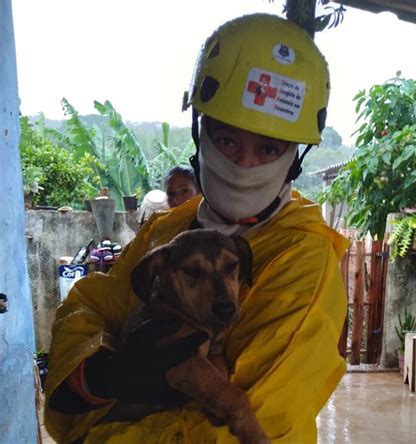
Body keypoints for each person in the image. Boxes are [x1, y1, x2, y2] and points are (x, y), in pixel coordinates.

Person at [44, 13, 349, 443]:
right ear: (199, 131)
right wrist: (96, 378)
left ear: (294, 158)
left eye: (267, 148)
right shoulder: (170, 229)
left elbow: (245, 424)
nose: (244, 165)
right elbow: (91, 304)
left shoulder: (303, 260)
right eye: (227, 140)